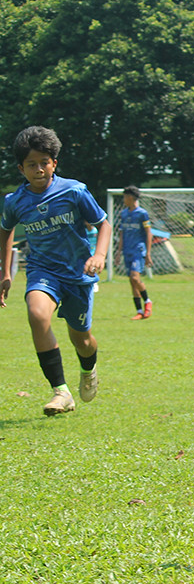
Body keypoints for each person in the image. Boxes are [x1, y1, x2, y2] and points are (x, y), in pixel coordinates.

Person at [0, 126, 110, 416]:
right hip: (41, 270)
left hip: (77, 274)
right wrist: (5, 272)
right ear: (20, 168)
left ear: (54, 163)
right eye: (31, 164)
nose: (38, 169)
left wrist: (99, 254)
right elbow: (5, 231)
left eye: (44, 163)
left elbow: (104, 224)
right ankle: (60, 392)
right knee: (37, 315)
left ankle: (89, 370)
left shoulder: (74, 191)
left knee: (82, 340)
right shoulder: (15, 202)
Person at [115, 185, 153, 319]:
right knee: (132, 281)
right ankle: (139, 311)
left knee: (135, 277)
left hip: (138, 250)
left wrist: (148, 253)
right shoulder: (124, 214)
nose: (124, 200)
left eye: (125, 197)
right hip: (127, 250)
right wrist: (118, 252)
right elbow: (122, 234)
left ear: (130, 197)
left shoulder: (142, 213)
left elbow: (149, 233)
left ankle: (148, 302)